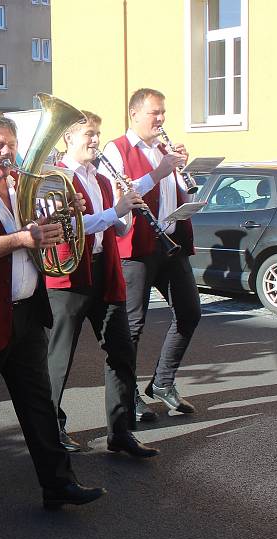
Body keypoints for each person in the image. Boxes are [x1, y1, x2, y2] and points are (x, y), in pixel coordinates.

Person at [0, 112, 106, 508]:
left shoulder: (19, 187)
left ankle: (57, 482)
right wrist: (21, 238)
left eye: (12, 145)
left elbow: (41, 237)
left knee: (38, 401)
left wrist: (66, 215)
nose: (8, 154)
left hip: (27, 311)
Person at [46, 112, 159, 458]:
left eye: (97, 134)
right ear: (68, 139)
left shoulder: (103, 179)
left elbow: (116, 228)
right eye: (89, 135)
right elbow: (72, 227)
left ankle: (121, 431)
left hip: (104, 272)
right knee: (59, 358)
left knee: (121, 351)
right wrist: (116, 211)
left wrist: (126, 211)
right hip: (69, 278)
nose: (96, 141)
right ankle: (51, 429)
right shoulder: (55, 178)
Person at [98, 88, 201, 419]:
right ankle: (128, 397)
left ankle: (162, 383)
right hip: (137, 248)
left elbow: (179, 192)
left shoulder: (163, 148)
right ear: (134, 113)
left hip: (171, 242)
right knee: (132, 326)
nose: (161, 119)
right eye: (155, 113)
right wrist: (159, 170)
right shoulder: (115, 150)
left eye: (163, 113)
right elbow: (121, 192)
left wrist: (182, 171)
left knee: (189, 312)